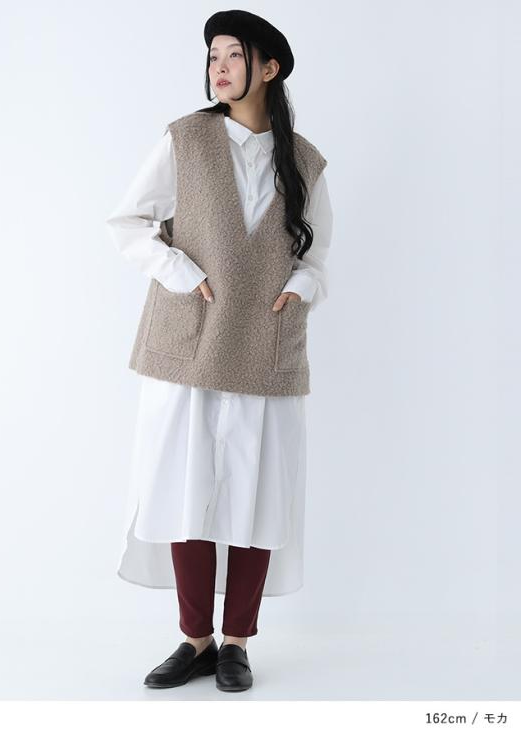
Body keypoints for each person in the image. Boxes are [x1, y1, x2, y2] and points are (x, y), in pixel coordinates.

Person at [106, 9, 333, 692]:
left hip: (264, 349)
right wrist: (180, 272)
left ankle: (237, 643)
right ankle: (195, 639)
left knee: (256, 497)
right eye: (213, 56)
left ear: (270, 67)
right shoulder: (186, 139)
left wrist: (298, 289)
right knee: (186, 490)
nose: (219, 67)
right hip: (190, 346)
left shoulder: (304, 161)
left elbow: (318, 259)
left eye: (234, 55)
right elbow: (128, 222)